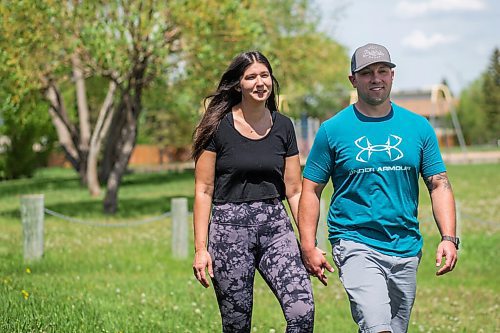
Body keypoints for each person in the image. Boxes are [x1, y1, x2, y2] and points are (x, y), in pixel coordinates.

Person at [298, 43, 459, 333]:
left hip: (406, 246)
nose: (376, 78)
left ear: (392, 75)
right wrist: (308, 245)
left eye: (382, 71)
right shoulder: (333, 130)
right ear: (353, 79)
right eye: (367, 73)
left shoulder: (418, 127)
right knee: (377, 327)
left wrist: (449, 237)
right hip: (354, 241)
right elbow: (311, 189)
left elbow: (439, 184)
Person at [191, 51, 314, 333]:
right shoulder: (216, 127)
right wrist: (201, 249)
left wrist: (308, 243)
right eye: (251, 77)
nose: (260, 83)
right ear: (237, 84)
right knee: (237, 325)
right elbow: (203, 190)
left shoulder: (284, 125)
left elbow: (294, 190)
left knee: (302, 311)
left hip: (276, 228)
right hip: (228, 231)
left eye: (264, 75)